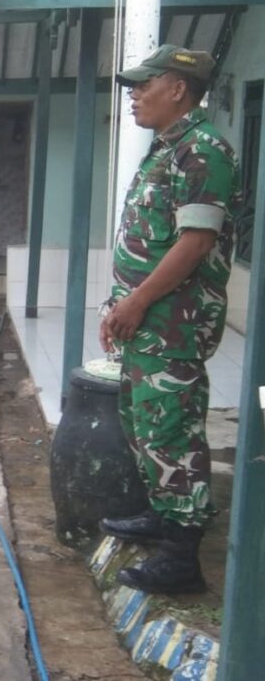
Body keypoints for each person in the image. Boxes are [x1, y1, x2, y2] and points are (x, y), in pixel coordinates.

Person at [98, 45, 241, 595]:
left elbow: (196, 242)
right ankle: (163, 516)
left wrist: (136, 303)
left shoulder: (202, 151)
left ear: (178, 89)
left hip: (174, 322)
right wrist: (119, 306)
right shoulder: (167, 149)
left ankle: (182, 558)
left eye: (144, 85)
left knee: (171, 430)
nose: (134, 96)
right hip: (146, 320)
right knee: (144, 424)